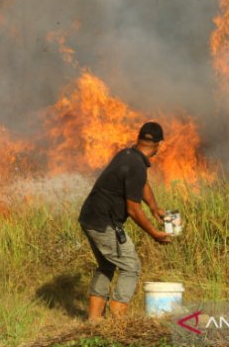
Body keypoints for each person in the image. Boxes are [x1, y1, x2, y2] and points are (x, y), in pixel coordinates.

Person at [78, 122, 172, 321]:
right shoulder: (136, 165)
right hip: (104, 223)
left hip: (90, 217)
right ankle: (117, 323)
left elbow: (142, 184)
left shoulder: (127, 155)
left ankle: (94, 321)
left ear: (139, 139)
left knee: (106, 265)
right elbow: (133, 210)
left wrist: (154, 208)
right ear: (158, 144)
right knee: (131, 266)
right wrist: (154, 233)